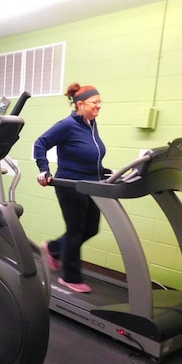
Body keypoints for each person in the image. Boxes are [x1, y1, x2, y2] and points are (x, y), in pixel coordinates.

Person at [34, 83, 109, 293]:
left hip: (92, 183)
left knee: (91, 228)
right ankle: (70, 277)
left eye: (100, 102)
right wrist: (44, 169)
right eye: (95, 102)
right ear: (80, 104)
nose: (99, 106)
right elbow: (40, 143)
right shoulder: (67, 124)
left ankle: (54, 248)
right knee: (76, 232)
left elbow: (90, 154)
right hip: (70, 184)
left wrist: (102, 171)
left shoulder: (91, 124)